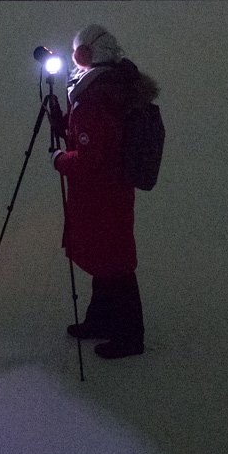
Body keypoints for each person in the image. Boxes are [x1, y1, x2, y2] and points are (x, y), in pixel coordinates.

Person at [52, 23, 159, 359]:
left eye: (78, 51)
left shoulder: (100, 95)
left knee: (115, 262)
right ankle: (100, 319)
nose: (75, 58)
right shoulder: (104, 87)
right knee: (105, 257)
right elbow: (90, 136)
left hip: (103, 193)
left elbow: (92, 157)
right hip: (104, 193)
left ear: (90, 53)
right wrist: (62, 122)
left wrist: (60, 159)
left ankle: (130, 336)